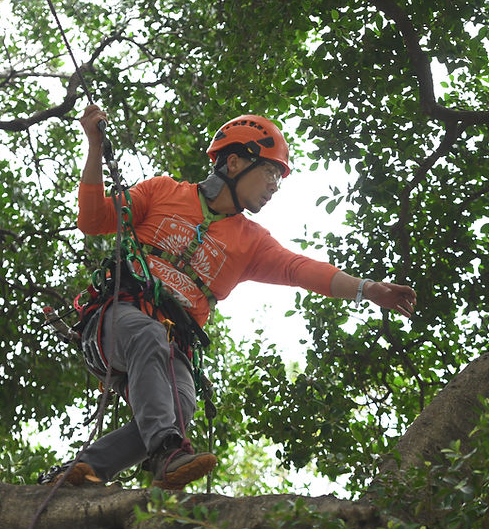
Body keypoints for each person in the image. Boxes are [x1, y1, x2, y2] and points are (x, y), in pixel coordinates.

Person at [40, 105, 417, 490]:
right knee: (149, 341)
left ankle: (83, 472)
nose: (274, 185)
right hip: (117, 322)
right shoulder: (163, 192)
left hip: (173, 346)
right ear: (234, 163)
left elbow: (300, 269)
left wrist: (366, 288)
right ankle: (168, 455)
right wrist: (94, 145)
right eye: (270, 172)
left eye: (278, 178)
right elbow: (91, 220)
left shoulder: (251, 242)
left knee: (180, 407)